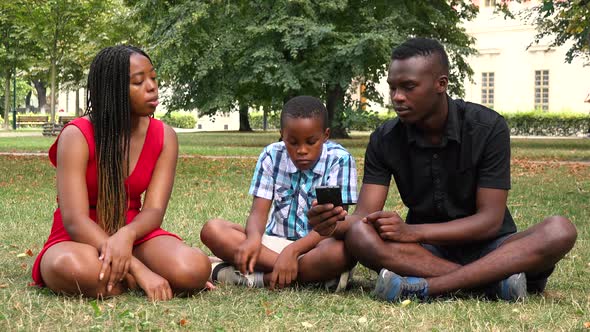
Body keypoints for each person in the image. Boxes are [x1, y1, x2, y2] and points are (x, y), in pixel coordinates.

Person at [308, 38, 577, 301]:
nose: (397, 97)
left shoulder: (487, 127)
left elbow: (490, 221)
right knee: (358, 235)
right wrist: (332, 224)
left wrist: (413, 232)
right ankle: (493, 285)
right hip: (425, 254)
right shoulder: (385, 139)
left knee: (560, 230)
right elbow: (364, 218)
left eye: (409, 87)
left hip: (494, 247)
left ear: (441, 84)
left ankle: (428, 288)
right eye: (393, 88)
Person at [31, 45, 212, 301]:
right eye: (139, 82)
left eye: (153, 77)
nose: (152, 87)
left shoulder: (165, 137)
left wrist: (126, 236)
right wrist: (138, 269)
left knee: (194, 268)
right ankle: (132, 274)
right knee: (69, 267)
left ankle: (123, 273)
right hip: (80, 238)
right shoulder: (77, 135)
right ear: (112, 91)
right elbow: (74, 219)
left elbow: (153, 211)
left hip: (135, 232)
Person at [200, 96, 357, 291]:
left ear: (325, 135)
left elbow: (335, 225)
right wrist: (253, 240)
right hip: (272, 245)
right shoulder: (271, 155)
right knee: (213, 230)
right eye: (292, 142)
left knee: (340, 252)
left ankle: (254, 277)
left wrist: (293, 251)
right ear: (282, 135)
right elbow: (258, 212)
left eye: (311, 142)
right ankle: (303, 277)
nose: (301, 150)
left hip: (315, 247)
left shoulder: (339, 160)